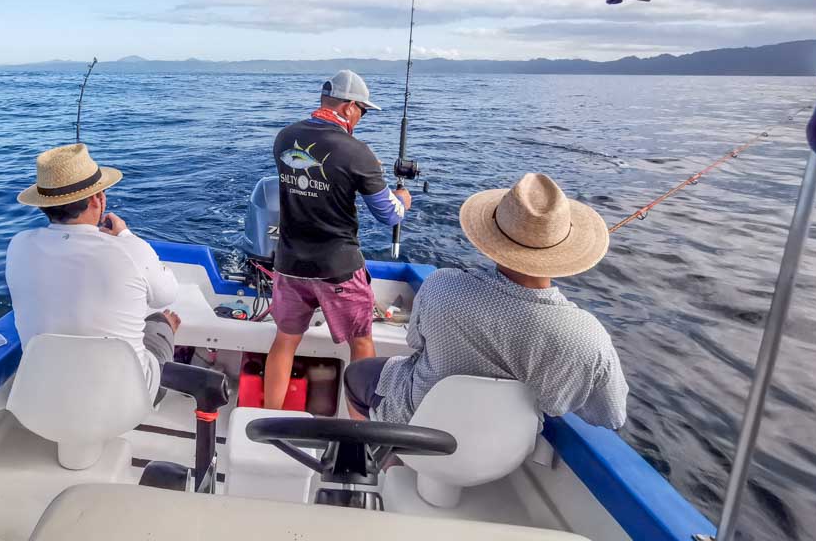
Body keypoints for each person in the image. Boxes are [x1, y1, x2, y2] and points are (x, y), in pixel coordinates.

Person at [344, 172, 628, 430]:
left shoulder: (441, 285)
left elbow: (416, 343)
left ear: (493, 239)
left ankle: (382, 457)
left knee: (355, 375)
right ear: (562, 253)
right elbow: (611, 416)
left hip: (418, 425)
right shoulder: (588, 338)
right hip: (504, 452)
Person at [264, 70, 412, 410]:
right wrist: (402, 199)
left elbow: (317, 176)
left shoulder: (284, 138)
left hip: (289, 266)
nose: (361, 118)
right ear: (347, 107)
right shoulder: (356, 152)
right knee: (361, 344)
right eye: (361, 110)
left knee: (285, 341)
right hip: (338, 270)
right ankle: (360, 437)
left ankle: (265, 421)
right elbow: (389, 214)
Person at [6, 143, 180, 399]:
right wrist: (125, 235)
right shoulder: (130, 249)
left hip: (40, 399)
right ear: (98, 199)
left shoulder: (18, 245)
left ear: (43, 205)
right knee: (162, 321)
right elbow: (167, 295)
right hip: (125, 403)